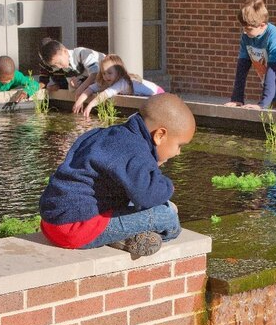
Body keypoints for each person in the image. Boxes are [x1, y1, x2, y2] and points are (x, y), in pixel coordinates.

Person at [39, 93, 195, 258]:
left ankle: (119, 238)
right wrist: (168, 186)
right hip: (76, 228)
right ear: (160, 135)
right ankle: (120, 236)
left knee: (139, 198)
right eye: (179, 146)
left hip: (51, 223)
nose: (178, 153)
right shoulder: (135, 151)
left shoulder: (110, 135)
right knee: (168, 216)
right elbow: (147, 197)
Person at [223, 0, 276, 112]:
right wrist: (237, 98)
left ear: (262, 25)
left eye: (248, 28)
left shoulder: (274, 38)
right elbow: (242, 68)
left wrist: (263, 104)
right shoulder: (247, 37)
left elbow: (273, 72)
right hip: (271, 89)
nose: (245, 31)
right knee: (268, 126)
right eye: (243, 27)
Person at [72, 54, 164, 118]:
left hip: (158, 94)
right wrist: (79, 102)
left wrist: (90, 105)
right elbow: (90, 88)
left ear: (119, 72)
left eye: (110, 73)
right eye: (104, 73)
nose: (106, 76)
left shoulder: (122, 82)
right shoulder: (106, 81)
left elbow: (105, 94)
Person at [38, 37, 104, 98]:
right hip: (101, 85)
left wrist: (81, 88)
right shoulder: (67, 68)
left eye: (59, 62)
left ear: (65, 51)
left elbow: (95, 73)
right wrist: (74, 86)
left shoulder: (81, 53)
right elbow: (72, 90)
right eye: (55, 65)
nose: (58, 66)